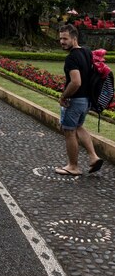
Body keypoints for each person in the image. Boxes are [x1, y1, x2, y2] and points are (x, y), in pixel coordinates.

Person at [56, 24, 103, 176]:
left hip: (75, 101)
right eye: (60, 38)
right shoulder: (87, 52)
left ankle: (73, 166)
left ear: (74, 38)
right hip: (86, 100)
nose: (62, 42)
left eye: (65, 38)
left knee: (69, 131)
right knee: (78, 127)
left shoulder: (71, 58)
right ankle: (94, 157)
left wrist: (64, 96)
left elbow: (76, 82)